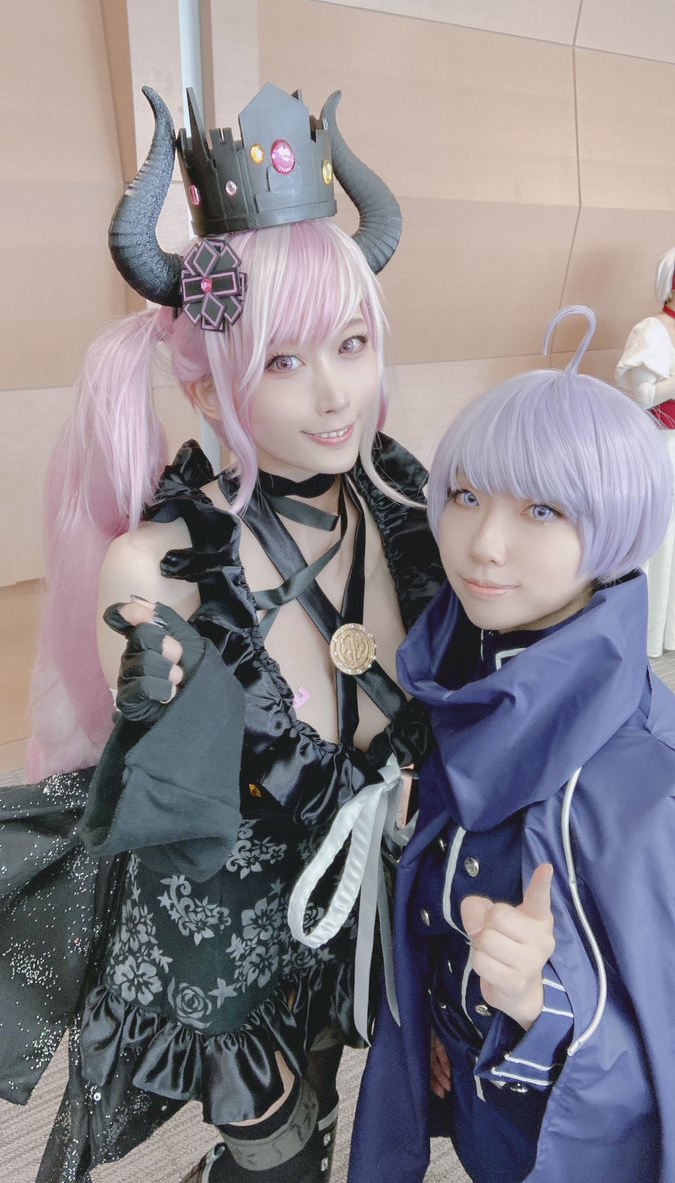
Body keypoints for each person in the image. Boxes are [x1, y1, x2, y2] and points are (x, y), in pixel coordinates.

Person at [0, 84, 443, 1183]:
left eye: (351, 343)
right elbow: (162, 810)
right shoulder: (158, 567)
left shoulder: (411, 512)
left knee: (331, 1117)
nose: (336, 396)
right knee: (277, 1155)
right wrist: (158, 711)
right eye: (283, 362)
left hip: (356, 910)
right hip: (222, 944)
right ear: (205, 390)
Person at [348, 306, 675, 1183]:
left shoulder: (645, 776)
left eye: (540, 509)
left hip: (560, 1132)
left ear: (615, 528)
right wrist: (440, 1013)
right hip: (474, 1084)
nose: (482, 545)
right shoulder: (462, 676)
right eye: (465, 497)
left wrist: (536, 1001)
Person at [615, 246, 675, 656]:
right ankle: (641, 636)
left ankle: (668, 632)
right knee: (659, 537)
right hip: (660, 445)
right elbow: (643, 395)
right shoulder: (651, 330)